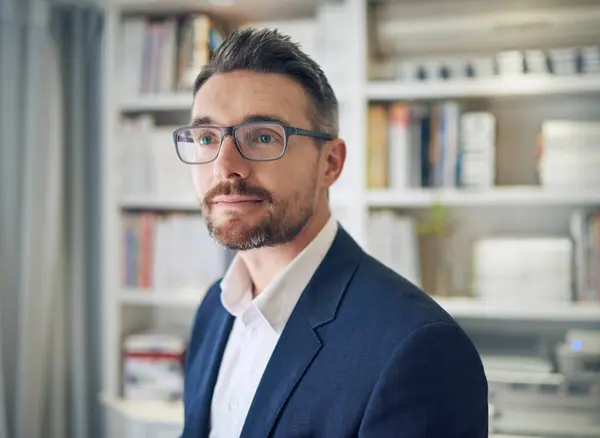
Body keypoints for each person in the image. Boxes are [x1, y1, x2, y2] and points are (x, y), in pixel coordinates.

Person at [176, 28, 488, 438]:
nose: (225, 166)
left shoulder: (418, 348)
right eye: (206, 137)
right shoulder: (213, 310)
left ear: (330, 163)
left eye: (264, 137)